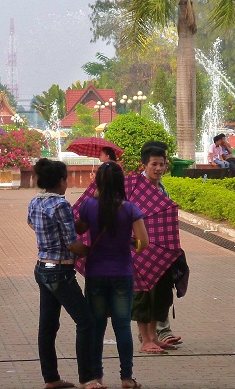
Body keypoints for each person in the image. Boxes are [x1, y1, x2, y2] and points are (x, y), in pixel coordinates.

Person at [28, 158, 103, 389]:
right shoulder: (60, 204)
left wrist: (50, 237)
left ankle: (51, 378)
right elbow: (72, 243)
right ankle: (88, 378)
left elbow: (32, 224)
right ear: (61, 181)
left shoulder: (35, 202)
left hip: (42, 267)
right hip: (60, 271)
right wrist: (93, 249)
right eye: (66, 179)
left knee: (48, 326)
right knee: (86, 321)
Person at [76, 162, 149, 389]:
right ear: (120, 183)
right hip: (122, 273)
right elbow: (143, 243)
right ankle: (126, 378)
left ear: (98, 182)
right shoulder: (130, 208)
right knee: (123, 326)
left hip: (96, 273)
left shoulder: (88, 205)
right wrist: (129, 243)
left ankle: (96, 376)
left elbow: (78, 229)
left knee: (97, 327)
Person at [132, 144, 180, 354]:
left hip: (161, 251)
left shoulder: (162, 188)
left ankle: (153, 337)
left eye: (162, 164)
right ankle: (145, 341)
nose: (158, 168)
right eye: (154, 164)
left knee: (160, 294)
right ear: (144, 165)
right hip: (140, 252)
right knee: (143, 295)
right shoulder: (136, 188)